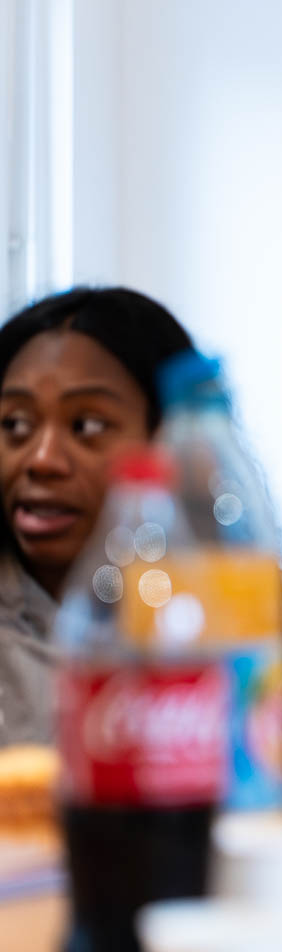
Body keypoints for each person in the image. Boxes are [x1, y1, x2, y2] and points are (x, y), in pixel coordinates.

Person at [0, 287, 194, 746]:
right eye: (16, 425)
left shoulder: (213, 619)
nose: (42, 460)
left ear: (170, 441)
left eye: (87, 426)